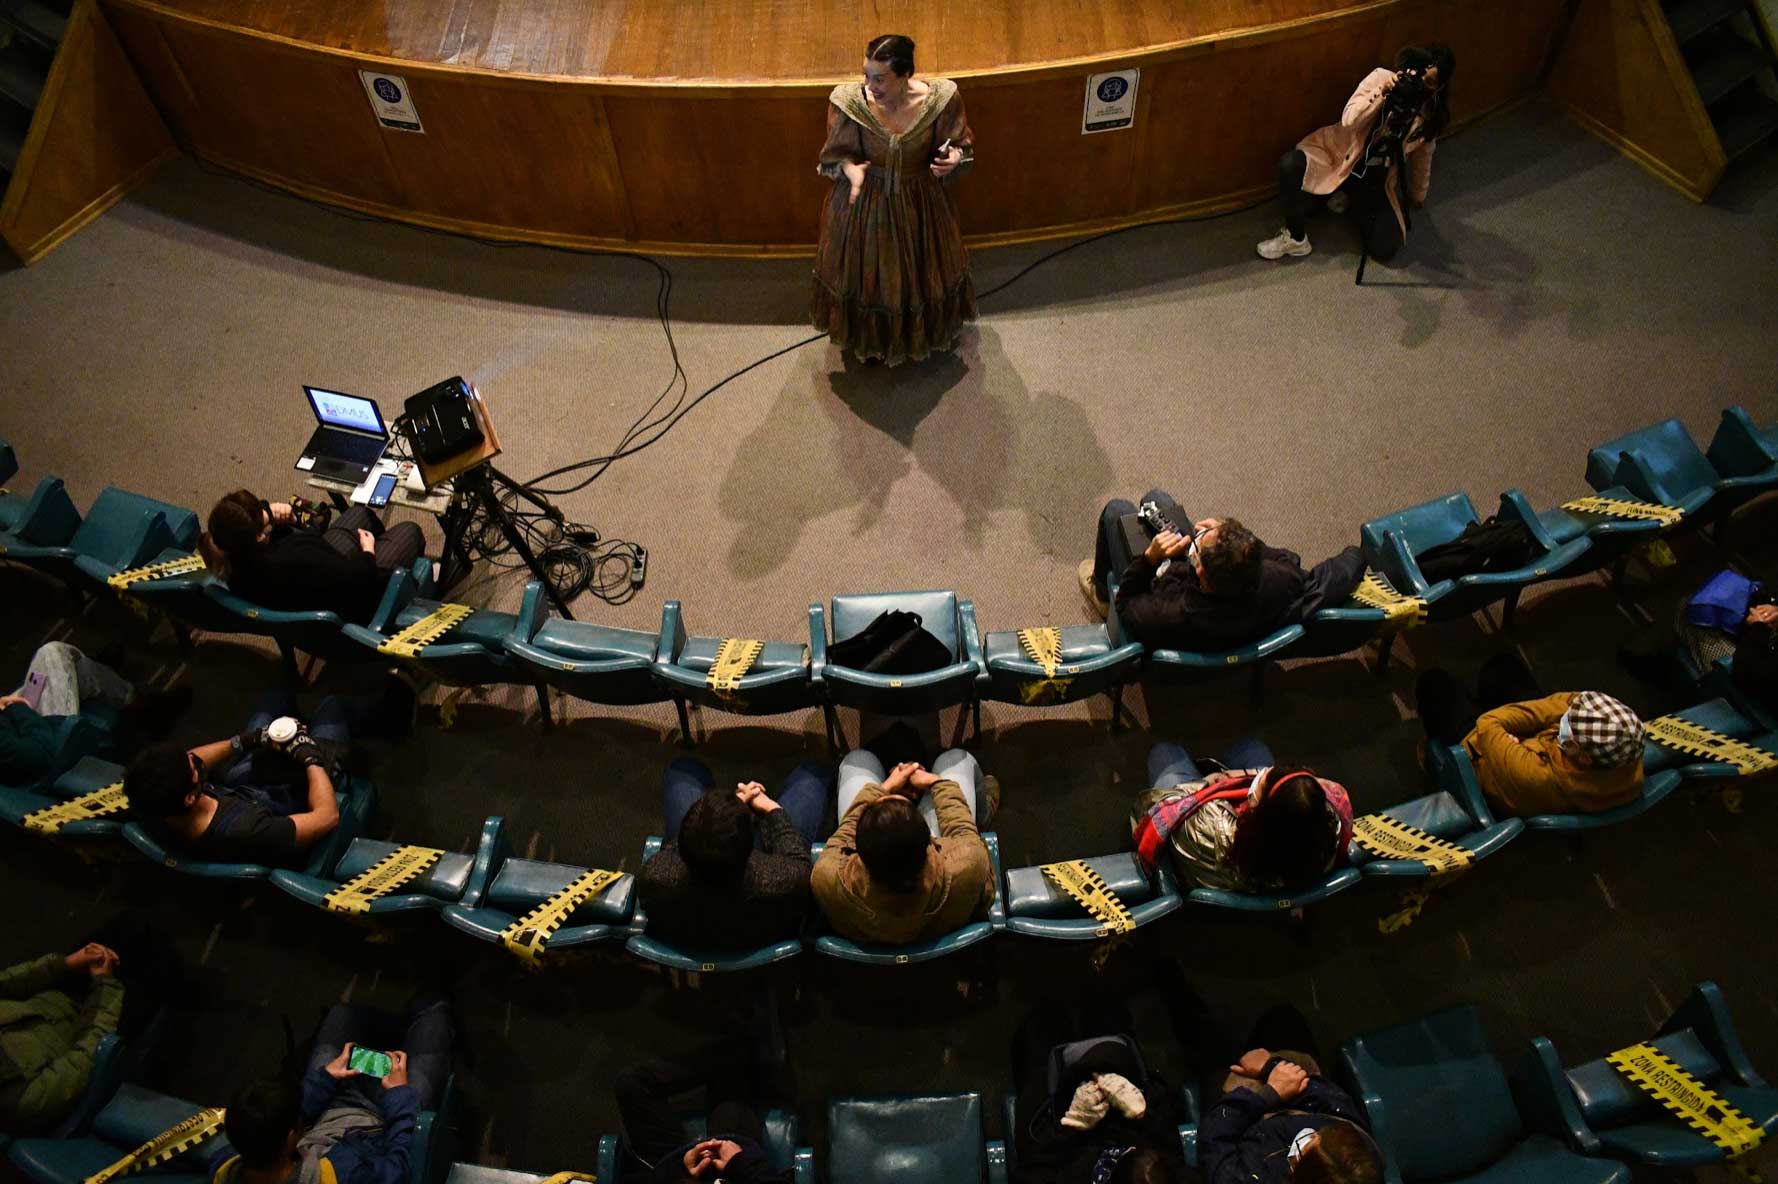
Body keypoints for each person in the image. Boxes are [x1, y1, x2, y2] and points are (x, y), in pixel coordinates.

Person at [810, 34, 976, 366]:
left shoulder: (941, 100)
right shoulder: (850, 104)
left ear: (904, 75)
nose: (870, 85)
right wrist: (850, 170)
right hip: (866, 204)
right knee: (871, 276)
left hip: (921, 204)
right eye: (866, 75)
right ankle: (872, 340)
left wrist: (955, 157)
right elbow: (836, 157)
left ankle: (917, 336)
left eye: (880, 78)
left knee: (919, 272)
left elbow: (959, 143)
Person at [122, 684, 396, 866]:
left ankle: (302, 729)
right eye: (192, 767)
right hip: (290, 802)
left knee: (274, 699)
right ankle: (391, 718)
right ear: (190, 796)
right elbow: (326, 817)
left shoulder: (149, 803)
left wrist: (246, 740)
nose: (195, 759)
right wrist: (309, 756)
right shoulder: (248, 830)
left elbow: (194, 759)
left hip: (245, 790)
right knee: (332, 707)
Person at [1080, 489, 1364, 653]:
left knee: (1117, 511)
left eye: (1202, 541)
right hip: (1230, 623)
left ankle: (1101, 592)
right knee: (1157, 498)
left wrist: (1149, 560)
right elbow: (1306, 564)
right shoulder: (1280, 582)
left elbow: (1129, 605)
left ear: (1200, 569)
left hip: (1160, 592)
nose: (1199, 534)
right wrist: (1239, 539)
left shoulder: (1172, 613)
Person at [215, 996, 454, 1184]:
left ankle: (409, 1030)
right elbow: (399, 1166)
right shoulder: (347, 1176)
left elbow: (277, 1117)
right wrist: (400, 1096)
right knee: (434, 1016)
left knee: (343, 1014)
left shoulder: (227, 1166)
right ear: (290, 1137)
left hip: (330, 1106)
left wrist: (326, 1078)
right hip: (383, 1119)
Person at [1257, 45, 1455, 264]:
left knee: (1387, 249)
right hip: (1337, 157)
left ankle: (1345, 198)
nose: (1420, 86)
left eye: (1430, 83)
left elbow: (1422, 159)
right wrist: (1383, 93)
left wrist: (1418, 195)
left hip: (1373, 181)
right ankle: (1296, 239)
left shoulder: (1429, 118)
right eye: (1419, 77)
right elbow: (1349, 120)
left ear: (1440, 87)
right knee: (1289, 166)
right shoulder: (1381, 78)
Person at [636, 757, 831, 951]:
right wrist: (773, 809)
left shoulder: (656, 878)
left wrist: (728, 810)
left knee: (682, 768)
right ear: (752, 844)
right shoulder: (781, 882)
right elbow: (798, 862)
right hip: (763, 934)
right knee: (813, 773)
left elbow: (671, 849)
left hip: (694, 934)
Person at [1416, 654, 1646, 816]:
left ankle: (1431, 761)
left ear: (1585, 757)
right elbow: (1572, 700)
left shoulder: (1534, 775)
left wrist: (1509, 734)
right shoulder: (1626, 756)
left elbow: (1488, 723)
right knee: (1503, 667)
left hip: (1484, 766)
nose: (1567, 716)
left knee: (1435, 683)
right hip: (1528, 743)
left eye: (1571, 725)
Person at [810, 749, 993, 945]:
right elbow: (964, 831)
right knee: (954, 758)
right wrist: (936, 782)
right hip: (939, 925)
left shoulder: (826, 878)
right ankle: (986, 810)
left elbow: (842, 836)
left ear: (859, 849)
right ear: (929, 841)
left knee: (857, 759)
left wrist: (886, 787)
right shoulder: (969, 865)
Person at [1131, 738, 1351, 894]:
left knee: (1165, 753)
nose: (1261, 775)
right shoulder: (1327, 828)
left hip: (1203, 854)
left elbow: (1156, 806)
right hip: (1276, 883)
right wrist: (1242, 777)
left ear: (1262, 810)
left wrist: (1212, 780)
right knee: (1252, 747)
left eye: (1262, 783)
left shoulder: (1207, 826)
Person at [1009, 1003, 1195, 1184]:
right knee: (1107, 1015)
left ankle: (1049, 1007)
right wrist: (1145, 1113)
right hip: (1131, 1101)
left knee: (1043, 1027)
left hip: (1059, 1124)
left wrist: (1071, 1124)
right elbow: (1174, 1151)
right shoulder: (1168, 1172)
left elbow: (1032, 1168)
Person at [203, 489, 424, 625]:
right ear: (260, 535)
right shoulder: (297, 552)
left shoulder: (231, 565)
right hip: (356, 606)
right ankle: (414, 593)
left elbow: (308, 549)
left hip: (307, 592)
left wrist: (273, 516)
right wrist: (368, 551)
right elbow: (358, 578)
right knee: (409, 531)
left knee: (359, 513)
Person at [0, 642, 189, 785]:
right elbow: (38, 754)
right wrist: (16, 709)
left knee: (80, 670)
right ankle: (150, 710)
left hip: (13, 728)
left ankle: (104, 679)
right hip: (52, 747)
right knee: (53, 654)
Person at [613, 1039, 793, 1183]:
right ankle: (736, 1048)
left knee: (630, 1084)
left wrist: (678, 1168)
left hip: (673, 1171)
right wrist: (740, 1163)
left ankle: (729, 1051)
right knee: (729, 1096)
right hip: (732, 1174)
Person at [0, 943, 122, 1134]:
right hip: (99, 1023)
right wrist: (106, 985)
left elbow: (10, 982)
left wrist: (67, 963)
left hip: (62, 993)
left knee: (119, 935)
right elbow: (88, 1056)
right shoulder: (18, 1098)